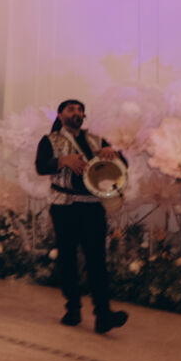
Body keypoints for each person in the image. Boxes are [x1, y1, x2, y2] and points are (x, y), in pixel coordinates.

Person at [34, 99, 129, 333]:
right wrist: (62, 161)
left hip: (93, 205)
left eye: (80, 110)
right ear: (60, 115)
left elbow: (123, 164)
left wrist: (114, 153)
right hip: (64, 206)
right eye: (71, 109)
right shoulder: (50, 140)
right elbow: (41, 166)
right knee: (67, 259)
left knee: (97, 259)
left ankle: (103, 314)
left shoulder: (97, 140)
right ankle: (73, 308)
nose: (77, 113)